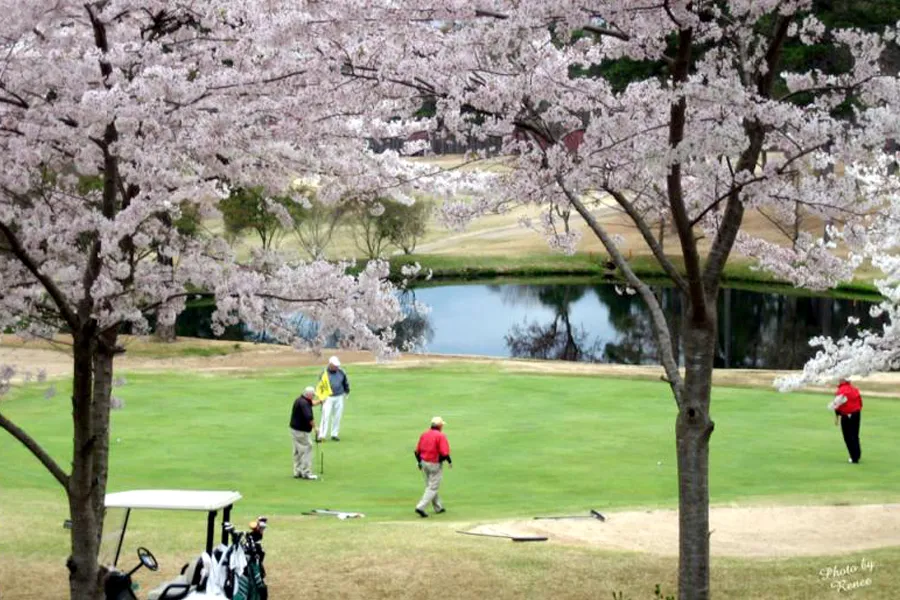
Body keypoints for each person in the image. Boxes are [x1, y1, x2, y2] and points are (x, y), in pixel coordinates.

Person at [413, 416, 452, 518]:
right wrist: (449, 461)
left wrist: (419, 463)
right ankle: (420, 507)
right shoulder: (440, 436)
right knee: (433, 487)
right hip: (434, 464)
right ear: (439, 426)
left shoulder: (424, 434)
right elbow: (444, 452)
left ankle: (438, 507)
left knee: (430, 486)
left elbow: (417, 451)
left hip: (424, 463)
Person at [290, 387, 321, 479]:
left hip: (294, 429)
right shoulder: (304, 404)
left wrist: (321, 401)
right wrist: (315, 428)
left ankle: (297, 471)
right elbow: (309, 417)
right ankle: (306, 472)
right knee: (307, 448)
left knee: (297, 450)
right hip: (301, 431)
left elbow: (312, 403)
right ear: (309, 395)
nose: (313, 397)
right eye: (313, 395)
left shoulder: (301, 399)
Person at [829, 378, 863, 464]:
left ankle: (854, 457)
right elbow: (860, 403)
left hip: (846, 415)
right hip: (856, 413)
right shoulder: (855, 389)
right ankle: (857, 454)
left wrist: (837, 416)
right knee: (855, 435)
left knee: (847, 437)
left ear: (842, 381)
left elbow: (837, 405)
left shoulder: (840, 391)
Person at [317, 355, 350, 442]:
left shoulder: (341, 372)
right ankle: (322, 435)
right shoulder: (324, 373)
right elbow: (320, 386)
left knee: (337, 416)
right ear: (330, 364)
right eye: (335, 366)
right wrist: (321, 397)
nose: (337, 367)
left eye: (337, 366)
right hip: (328, 397)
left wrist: (347, 391)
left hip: (339, 396)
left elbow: (345, 382)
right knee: (325, 416)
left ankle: (334, 434)